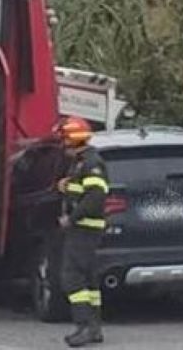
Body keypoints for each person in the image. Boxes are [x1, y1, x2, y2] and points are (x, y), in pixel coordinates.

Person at [55, 116, 108, 347]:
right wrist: (68, 186)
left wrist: (71, 218)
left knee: (72, 277)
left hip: (83, 228)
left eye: (64, 139)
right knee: (89, 279)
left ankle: (84, 326)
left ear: (73, 139)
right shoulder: (81, 163)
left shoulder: (90, 163)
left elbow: (96, 197)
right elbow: (84, 190)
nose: (62, 144)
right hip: (86, 229)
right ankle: (94, 328)